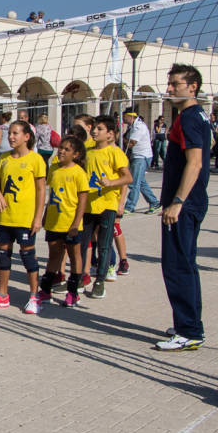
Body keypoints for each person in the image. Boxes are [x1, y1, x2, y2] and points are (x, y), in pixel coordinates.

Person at [156, 64, 212, 351]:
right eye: (169, 83)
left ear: (192, 87)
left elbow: (196, 162)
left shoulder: (190, 117)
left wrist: (177, 202)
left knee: (177, 265)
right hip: (191, 203)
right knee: (186, 264)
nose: (169, 89)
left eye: (174, 84)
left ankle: (189, 331)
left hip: (185, 205)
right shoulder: (194, 115)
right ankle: (188, 324)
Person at [0, 120, 47, 313]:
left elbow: (41, 190)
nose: (11, 136)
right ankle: (2, 295)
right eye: (10, 133)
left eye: (15, 133)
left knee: (28, 256)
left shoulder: (36, 160)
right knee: (2, 253)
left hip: (25, 217)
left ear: (27, 136)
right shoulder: (5, 159)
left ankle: (35, 297)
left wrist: (38, 217)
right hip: (5, 217)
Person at [82, 115, 132, 299]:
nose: (95, 131)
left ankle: (100, 281)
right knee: (84, 242)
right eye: (94, 128)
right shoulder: (87, 151)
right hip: (88, 205)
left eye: (100, 129)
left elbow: (128, 178)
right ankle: (81, 276)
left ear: (110, 134)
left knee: (103, 245)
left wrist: (112, 184)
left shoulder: (115, 152)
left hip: (107, 205)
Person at [38, 135, 88, 310]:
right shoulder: (54, 169)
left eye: (67, 149)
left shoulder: (79, 173)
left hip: (70, 223)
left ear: (76, 154)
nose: (61, 151)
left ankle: (73, 291)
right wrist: (44, 215)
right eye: (61, 148)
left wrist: (76, 223)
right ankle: (45, 290)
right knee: (54, 255)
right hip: (54, 221)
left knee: (74, 256)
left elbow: (82, 201)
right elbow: (52, 195)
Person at [122, 108, 161, 214]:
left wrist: (120, 138)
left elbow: (131, 143)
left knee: (134, 182)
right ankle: (154, 203)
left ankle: (130, 206)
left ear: (130, 116)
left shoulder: (139, 127)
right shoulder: (132, 126)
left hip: (141, 156)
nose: (123, 118)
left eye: (124, 116)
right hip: (137, 156)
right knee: (141, 182)